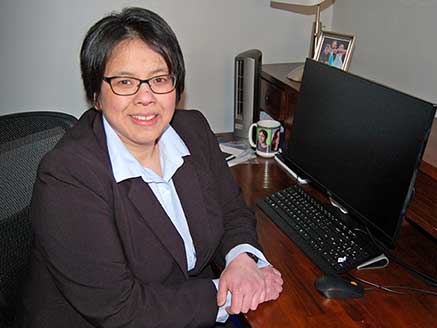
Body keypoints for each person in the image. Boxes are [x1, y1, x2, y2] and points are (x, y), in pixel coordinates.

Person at [19, 7, 283, 328]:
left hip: (184, 309)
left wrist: (241, 260)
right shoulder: (66, 177)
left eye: (159, 79)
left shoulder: (194, 130)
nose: (146, 97)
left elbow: (232, 212)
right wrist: (229, 294)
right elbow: (120, 310)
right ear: (96, 95)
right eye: (125, 81)